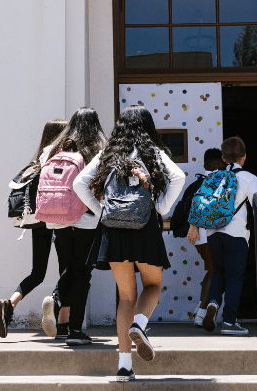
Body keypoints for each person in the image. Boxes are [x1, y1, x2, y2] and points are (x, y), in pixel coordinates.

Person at [72, 105, 185, 382]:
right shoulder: (153, 153)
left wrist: (102, 211)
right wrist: (160, 207)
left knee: (125, 297)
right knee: (154, 285)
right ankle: (140, 324)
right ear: (148, 126)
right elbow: (179, 177)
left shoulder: (108, 153)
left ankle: (124, 366)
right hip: (145, 227)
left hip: (114, 231)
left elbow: (79, 183)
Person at [39, 108, 108, 346]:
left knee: (69, 266)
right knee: (82, 273)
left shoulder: (52, 150)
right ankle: (75, 330)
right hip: (86, 218)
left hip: (57, 217)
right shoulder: (97, 150)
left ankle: (56, 301)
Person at [187, 135, 257, 335]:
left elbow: (198, 202)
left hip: (213, 233)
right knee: (234, 277)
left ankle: (213, 304)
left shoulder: (213, 177)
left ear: (223, 158)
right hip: (237, 234)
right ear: (244, 157)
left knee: (218, 272)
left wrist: (194, 226)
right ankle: (230, 321)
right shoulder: (249, 178)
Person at [0, 118, 66, 339]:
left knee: (38, 272)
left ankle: (10, 303)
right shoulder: (63, 158)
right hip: (62, 218)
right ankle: (61, 320)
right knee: (68, 269)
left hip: (38, 218)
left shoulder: (38, 160)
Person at [174, 148, 224, 328]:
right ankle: (201, 313)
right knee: (215, 272)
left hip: (198, 238)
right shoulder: (219, 181)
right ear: (221, 163)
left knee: (212, 271)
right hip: (212, 236)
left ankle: (200, 311)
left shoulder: (197, 183)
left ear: (204, 164)